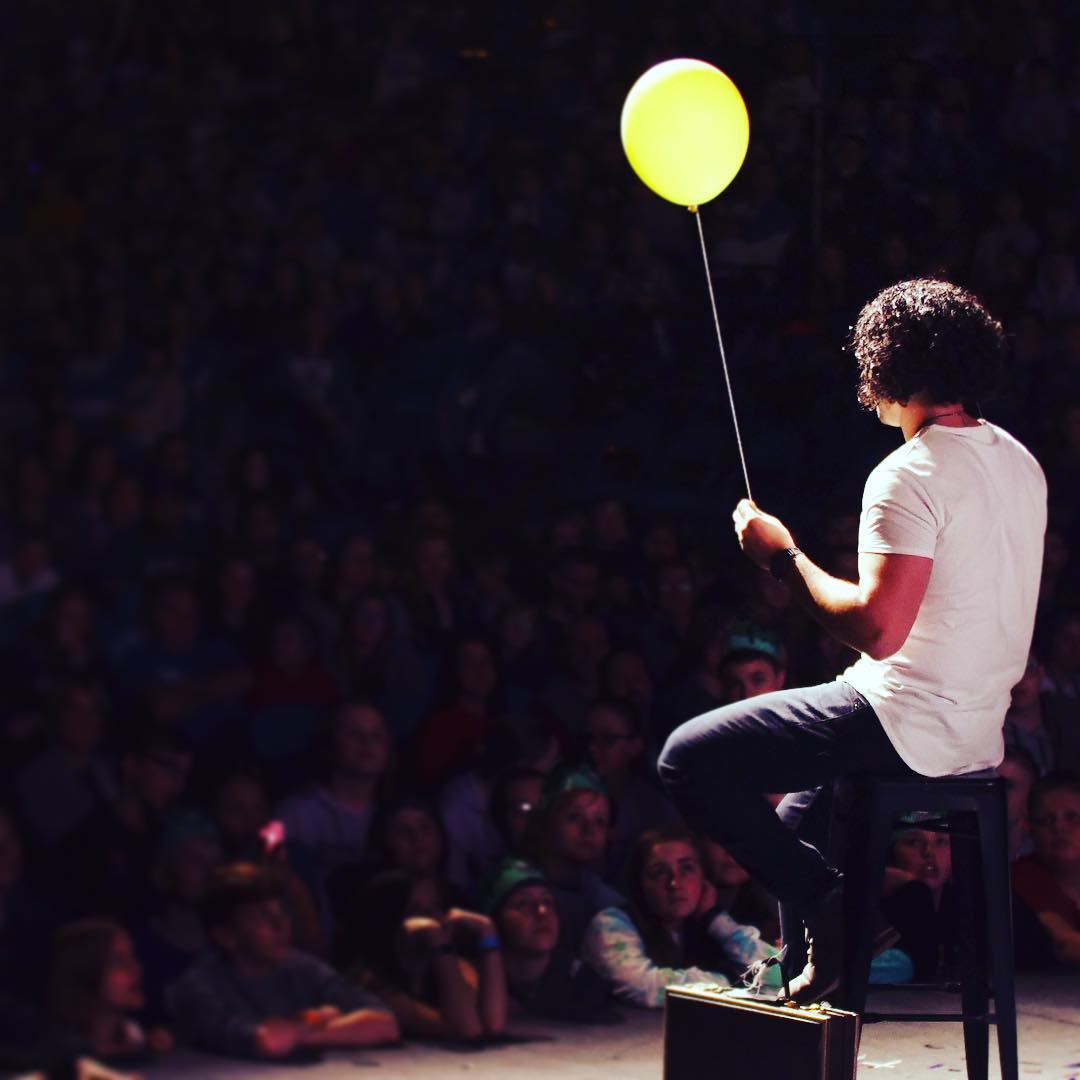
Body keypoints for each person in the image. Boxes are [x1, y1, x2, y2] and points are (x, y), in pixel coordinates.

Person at [658, 279, 1048, 1002]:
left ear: (886, 365)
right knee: (797, 817)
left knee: (688, 759)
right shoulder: (1018, 460)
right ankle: (816, 977)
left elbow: (877, 629)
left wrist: (782, 557)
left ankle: (837, 912)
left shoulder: (909, 474)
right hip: (977, 730)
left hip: (905, 722)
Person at [169, 863, 398, 1059]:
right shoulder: (200, 985)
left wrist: (302, 1029)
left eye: (281, 912)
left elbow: (385, 1025)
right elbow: (268, 1042)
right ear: (226, 936)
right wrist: (320, 1017)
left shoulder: (302, 967)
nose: (281, 925)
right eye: (263, 916)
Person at [581, 825, 781, 1008]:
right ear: (639, 883)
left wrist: (715, 919)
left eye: (686, 868)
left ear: (703, 878)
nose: (675, 883)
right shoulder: (610, 924)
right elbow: (642, 986)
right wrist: (728, 983)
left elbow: (777, 975)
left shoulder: (701, 927)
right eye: (659, 872)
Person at [338, 869, 508, 1041]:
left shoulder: (453, 965)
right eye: (416, 910)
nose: (433, 919)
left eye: (436, 906)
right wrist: (438, 941)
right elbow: (466, 1030)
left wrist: (488, 931)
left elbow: (493, 1025)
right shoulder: (371, 979)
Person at [484, 857, 615, 1022]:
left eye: (547, 901)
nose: (542, 911)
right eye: (522, 904)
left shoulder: (582, 982)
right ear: (495, 920)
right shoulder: (478, 979)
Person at [1012, 772, 1080, 966]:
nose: (1059, 828)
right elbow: (1062, 944)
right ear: (1030, 828)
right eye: (1047, 820)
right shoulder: (1016, 881)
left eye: (1072, 817)